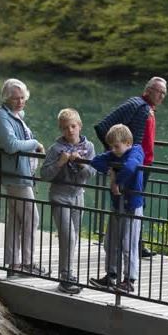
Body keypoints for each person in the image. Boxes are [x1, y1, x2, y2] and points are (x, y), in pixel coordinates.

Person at [94, 76, 168, 257]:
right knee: (126, 205)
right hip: (132, 165)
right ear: (148, 90)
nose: (161, 96)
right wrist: (115, 153)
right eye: (159, 91)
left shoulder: (148, 109)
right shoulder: (136, 105)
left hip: (143, 164)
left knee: (138, 204)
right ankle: (122, 247)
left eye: (164, 93)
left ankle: (137, 245)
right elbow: (102, 127)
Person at [0, 78, 49, 276]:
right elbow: (12, 145)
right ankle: (27, 263)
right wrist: (34, 143)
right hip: (14, 175)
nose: (20, 101)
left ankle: (14, 264)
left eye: (23, 97)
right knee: (32, 218)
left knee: (16, 219)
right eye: (15, 98)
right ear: (7, 98)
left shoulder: (15, 115)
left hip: (20, 173)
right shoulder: (1, 116)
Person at [40, 108, 96, 294]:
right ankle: (64, 277)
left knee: (74, 237)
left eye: (73, 126)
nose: (70, 130)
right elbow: (45, 175)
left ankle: (68, 274)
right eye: (65, 128)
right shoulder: (55, 149)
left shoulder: (89, 147)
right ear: (61, 130)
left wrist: (81, 163)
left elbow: (92, 173)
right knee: (68, 236)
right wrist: (60, 163)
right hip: (59, 196)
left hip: (78, 195)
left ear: (79, 126)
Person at [89, 124, 144, 294]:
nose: (113, 150)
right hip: (116, 205)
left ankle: (129, 280)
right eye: (111, 146)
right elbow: (95, 161)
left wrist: (116, 181)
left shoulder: (136, 151)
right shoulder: (115, 154)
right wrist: (111, 170)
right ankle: (111, 275)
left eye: (116, 146)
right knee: (111, 241)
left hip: (132, 206)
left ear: (128, 142)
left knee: (129, 244)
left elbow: (130, 167)